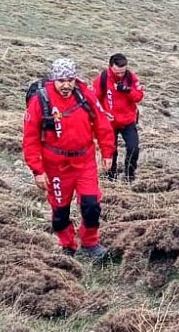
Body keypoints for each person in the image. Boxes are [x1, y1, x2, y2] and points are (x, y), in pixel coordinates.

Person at [22, 58, 116, 258]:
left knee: (91, 205)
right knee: (60, 212)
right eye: (61, 80)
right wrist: (37, 171)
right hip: (55, 165)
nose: (66, 85)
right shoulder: (40, 100)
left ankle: (90, 243)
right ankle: (68, 245)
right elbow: (30, 138)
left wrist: (108, 152)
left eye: (70, 80)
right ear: (54, 79)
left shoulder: (85, 94)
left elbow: (101, 123)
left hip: (85, 161)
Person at [96, 53, 144, 181]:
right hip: (109, 122)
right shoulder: (103, 78)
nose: (121, 75)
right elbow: (94, 99)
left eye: (123, 72)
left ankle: (129, 176)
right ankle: (111, 176)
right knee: (111, 151)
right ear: (110, 67)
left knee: (133, 148)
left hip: (128, 121)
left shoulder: (131, 78)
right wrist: (102, 113)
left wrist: (128, 90)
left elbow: (139, 96)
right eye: (117, 72)